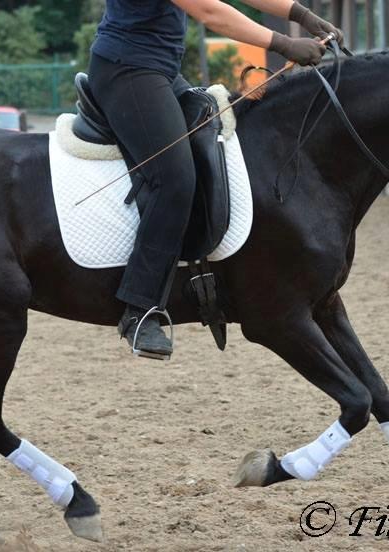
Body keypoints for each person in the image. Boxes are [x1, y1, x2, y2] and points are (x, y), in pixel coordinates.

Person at [88, 0, 343, 358]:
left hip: (160, 70)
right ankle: (139, 309)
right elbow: (209, 12)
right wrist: (285, 44)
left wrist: (300, 14)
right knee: (174, 178)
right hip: (128, 69)